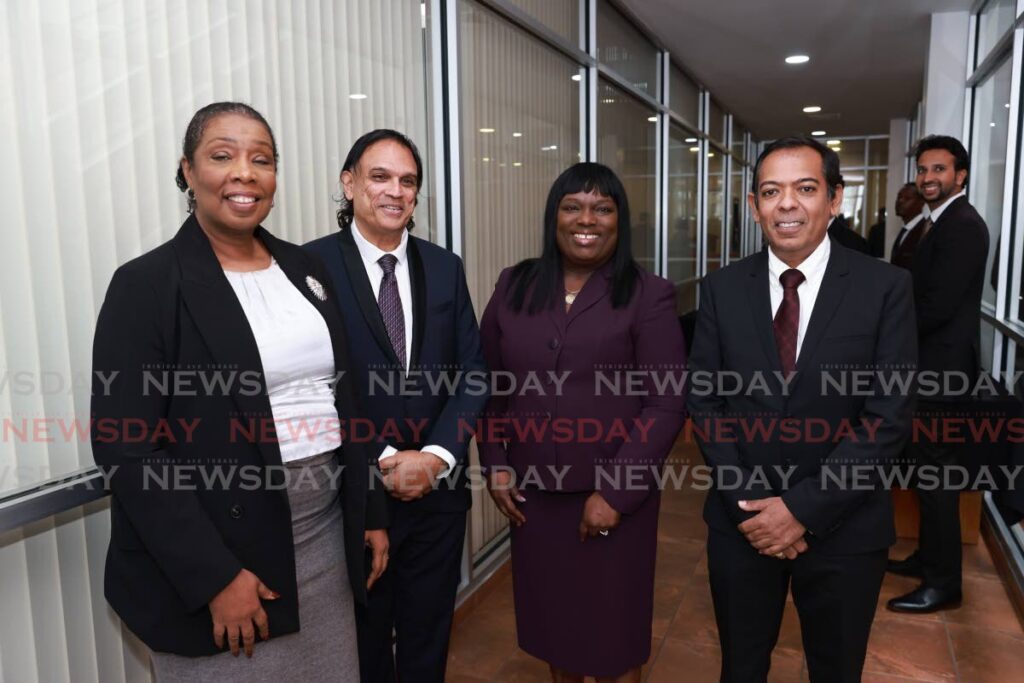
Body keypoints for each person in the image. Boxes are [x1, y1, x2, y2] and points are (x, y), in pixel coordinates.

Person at [91, 102, 388, 681]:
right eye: (222, 156)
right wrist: (214, 577)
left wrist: (369, 509)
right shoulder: (147, 285)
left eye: (262, 159)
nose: (245, 173)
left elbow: (345, 400)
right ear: (187, 171)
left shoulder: (306, 270)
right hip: (222, 557)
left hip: (325, 538)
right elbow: (128, 450)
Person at [687, 136, 916, 682]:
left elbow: (888, 417)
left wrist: (801, 510)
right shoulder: (721, 288)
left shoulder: (885, 287)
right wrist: (751, 504)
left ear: (835, 200)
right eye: (771, 191)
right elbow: (705, 398)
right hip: (743, 526)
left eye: (805, 189)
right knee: (741, 667)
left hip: (846, 528)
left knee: (836, 671)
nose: (787, 204)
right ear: (753, 205)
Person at [478, 162, 687, 683]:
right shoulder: (514, 284)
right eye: (572, 206)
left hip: (617, 497)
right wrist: (496, 465)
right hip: (535, 500)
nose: (585, 219)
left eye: (602, 207)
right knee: (558, 632)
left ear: (620, 220)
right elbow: (488, 385)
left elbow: (665, 405)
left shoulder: (649, 294)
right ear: (554, 217)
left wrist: (615, 494)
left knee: (615, 643)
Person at [304, 129, 488, 682]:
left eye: (408, 181)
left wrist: (434, 456)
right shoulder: (307, 269)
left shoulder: (444, 267)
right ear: (349, 183)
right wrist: (383, 457)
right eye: (380, 176)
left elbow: (473, 374)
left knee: (428, 636)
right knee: (362, 643)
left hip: (439, 493)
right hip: (356, 492)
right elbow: (315, 385)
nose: (395, 191)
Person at [887, 135, 989, 613]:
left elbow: (937, 306)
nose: (928, 178)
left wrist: (885, 336)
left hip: (940, 375)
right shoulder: (937, 222)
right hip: (929, 370)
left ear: (960, 176)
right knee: (926, 476)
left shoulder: (962, 225)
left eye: (939, 170)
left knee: (936, 480)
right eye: (923, 170)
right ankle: (928, 558)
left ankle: (943, 583)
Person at [890, 182, 926, 269]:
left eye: (907, 198)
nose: (900, 201)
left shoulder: (925, 231)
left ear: (921, 203)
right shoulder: (905, 230)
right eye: (899, 197)